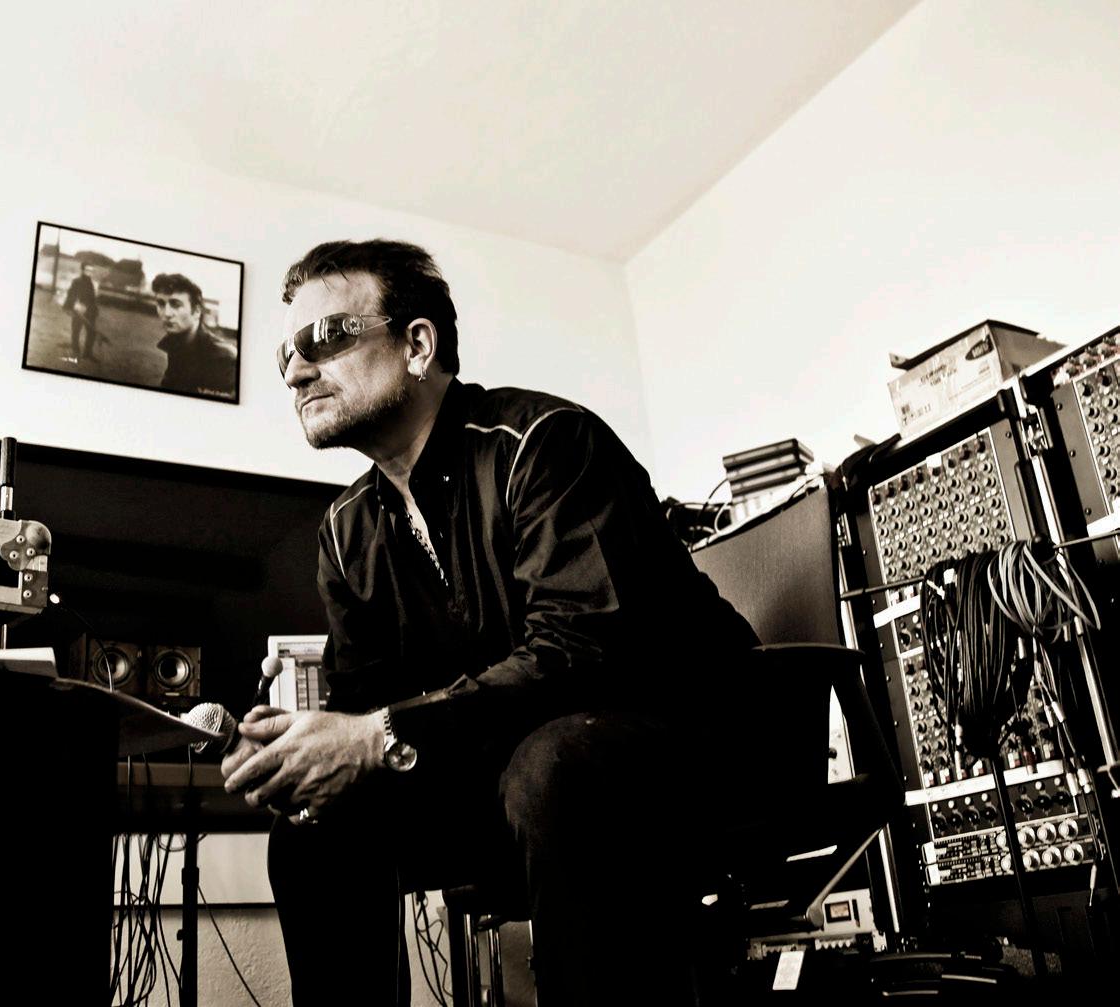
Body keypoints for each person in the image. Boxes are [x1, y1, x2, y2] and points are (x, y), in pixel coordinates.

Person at [221, 240, 760, 1004]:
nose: (296, 371)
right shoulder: (345, 532)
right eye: (287, 353)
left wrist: (377, 735)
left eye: (326, 337)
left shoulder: (547, 443)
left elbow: (583, 654)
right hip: (508, 770)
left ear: (417, 345)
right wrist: (300, 750)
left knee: (554, 764)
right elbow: (368, 709)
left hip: (687, 744)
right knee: (318, 831)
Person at [151, 272, 237, 398]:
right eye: (161, 303)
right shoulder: (177, 345)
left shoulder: (223, 358)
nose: (167, 313)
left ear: (196, 311)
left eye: (176, 304)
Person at [62, 261, 101, 361]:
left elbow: (94, 298)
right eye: (87, 270)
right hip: (79, 310)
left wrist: (94, 310)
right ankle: (75, 351)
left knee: (92, 332)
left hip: (90, 311)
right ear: (83, 270)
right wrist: (70, 306)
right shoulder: (77, 281)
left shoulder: (93, 283)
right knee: (76, 330)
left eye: (91, 270)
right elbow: (71, 294)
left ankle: (87, 353)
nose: (89, 272)